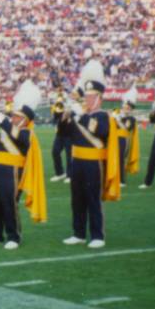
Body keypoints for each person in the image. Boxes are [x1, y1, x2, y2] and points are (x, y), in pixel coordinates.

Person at [0, 80, 45, 250]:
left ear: (25, 119)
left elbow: (20, 139)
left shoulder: (27, 132)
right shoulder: (8, 130)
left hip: (12, 172)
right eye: (13, 115)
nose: (13, 118)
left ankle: (14, 236)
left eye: (17, 116)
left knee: (9, 203)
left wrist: (3, 121)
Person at [63, 60, 121, 249]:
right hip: (77, 161)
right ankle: (78, 233)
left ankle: (97, 235)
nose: (87, 99)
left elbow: (100, 132)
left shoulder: (103, 116)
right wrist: (65, 116)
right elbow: (64, 133)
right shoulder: (81, 114)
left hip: (93, 164)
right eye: (86, 96)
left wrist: (81, 116)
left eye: (91, 96)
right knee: (77, 199)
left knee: (92, 199)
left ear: (99, 97)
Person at [49, 87, 73, 183]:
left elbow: (72, 117)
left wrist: (68, 111)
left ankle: (70, 175)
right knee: (55, 152)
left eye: (61, 97)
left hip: (69, 135)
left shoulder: (71, 106)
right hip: (60, 134)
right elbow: (55, 118)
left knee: (69, 155)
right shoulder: (57, 107)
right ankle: (60, 173)